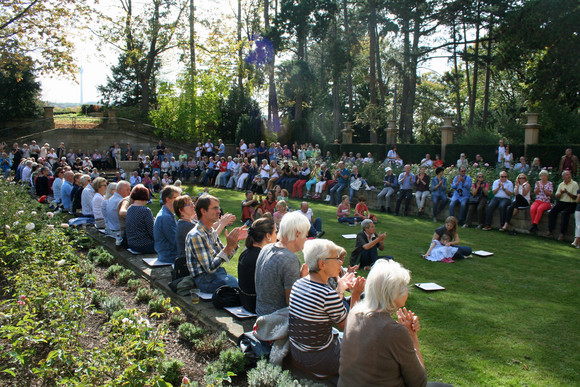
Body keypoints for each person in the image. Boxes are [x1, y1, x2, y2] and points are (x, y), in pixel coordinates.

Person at [339, 260, 428, 387]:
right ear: (393, 294)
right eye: (404, 286)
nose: (407, 290)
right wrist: (412, 336)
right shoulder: (395, 331)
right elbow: (419, 382)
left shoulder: (354, 312)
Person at [289, 239, 365, 381]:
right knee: (366, 343)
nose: (340, 262)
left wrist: (340, 289)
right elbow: (352, 330)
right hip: (320, 361)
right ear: (321, 264)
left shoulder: (299, 284)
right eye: (336, 258)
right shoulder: (327, 294)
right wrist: (355, 295)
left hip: (297, 354)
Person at [255, 211, 310, 316]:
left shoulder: (267, 247)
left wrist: (300, 277)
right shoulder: (290, 259)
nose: (306, 239)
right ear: (298, 234)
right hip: (276, 321)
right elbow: (292, 303)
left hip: (261, 314)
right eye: (305, 235)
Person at [185, 194, 244, 293]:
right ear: (203, 211)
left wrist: (234, 242)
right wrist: (228, 247)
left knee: (244, 286)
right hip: (205, 281)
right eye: (215, 208)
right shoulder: (196, 235)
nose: (219, 211)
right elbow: (210, 268)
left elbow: (224, 257)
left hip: (216, 275)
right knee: (241, 290)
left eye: (219, 208)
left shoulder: (210, 230)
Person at [238, 218, 277, 313]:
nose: (277, 236)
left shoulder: (247, 251)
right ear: (268, 236)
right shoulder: (262, 257)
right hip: (256, 306)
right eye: (275, 232)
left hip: (245, 302)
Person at [547, 170, 579, 240]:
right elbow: (557, 196)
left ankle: (562, 234)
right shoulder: (561, 184)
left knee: (565, 214)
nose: (569, 176)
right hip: (562, 202)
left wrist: (567, 192)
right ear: (563, 177)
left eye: (569, 174)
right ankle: (550, 231)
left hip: (571, 203)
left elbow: (575, 197)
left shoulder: (574, 184)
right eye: (567, 175)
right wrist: (561, 193)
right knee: (552, 212)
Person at [154, 185, 181, 264]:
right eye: (176, 198)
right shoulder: (165, 217)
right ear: (167, 199)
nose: (179, 201)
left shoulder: (168, 214)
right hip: (169, 257)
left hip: (168, 254)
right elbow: (176, 241)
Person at [125, 185, 156, 254]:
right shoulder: (145, 210)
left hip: (131, 243)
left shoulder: (130, 209)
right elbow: (152, 232)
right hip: (144, 245)